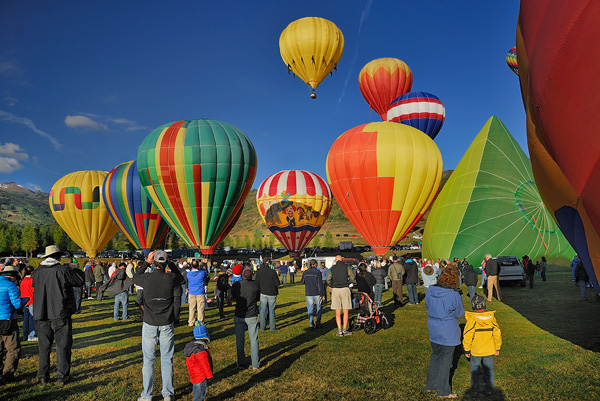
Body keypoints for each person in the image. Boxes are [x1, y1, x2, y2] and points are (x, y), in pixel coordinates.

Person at [133, 250, 184, 401]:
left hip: (149, 322)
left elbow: (135, 278)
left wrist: (146, 262)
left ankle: (147, 395)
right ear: (166, 262)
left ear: (154, 262)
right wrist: (171, 265)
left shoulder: (147, 278)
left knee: (148, 360)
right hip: (166, 322)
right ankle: (167, 393)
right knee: (166, 359)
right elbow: (181, 278)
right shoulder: (171, 277)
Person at [32, 245, 85, 385]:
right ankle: (62, 376)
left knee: (44, 347)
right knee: (63, 346)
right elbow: (79, 281)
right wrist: (74, 269)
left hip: (41, 313)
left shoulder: (37, 272)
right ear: (58, 257)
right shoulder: (62, 270)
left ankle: (42, 375)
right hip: (60, 313)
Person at [425, 268, 464, 398]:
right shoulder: (454, 295)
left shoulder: (430, 291)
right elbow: (460, 313)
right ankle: (444, 391)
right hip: (448, 331)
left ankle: (431, 385)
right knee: (445, 362)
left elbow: (427, 308)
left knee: (436, 356)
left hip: (434, 328)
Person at [463, 294, 501, 395]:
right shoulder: (491, 319)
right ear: (484, 305)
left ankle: (475, 389)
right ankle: (489, 388)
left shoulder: (471, 320)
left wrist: (467, 349)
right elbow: (497, 334)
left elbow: (467, 336)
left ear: (473, 306)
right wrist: (497, 347)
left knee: (475, 369)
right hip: (489, 350)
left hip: (476, 350)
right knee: (489, 369)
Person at [231, 266, 260, 370]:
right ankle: (255, 363)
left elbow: (231, 297)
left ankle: (241, 362)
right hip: (251, 315)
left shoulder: (236, 285)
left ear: (242, 275)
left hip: (239, 314)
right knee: (254, 339)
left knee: (240, 340)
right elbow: (258, 297)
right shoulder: (255, 285)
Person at [0, 264, 23, 384]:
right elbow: (17, 304)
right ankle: (7, 374)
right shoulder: (10, 285)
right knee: (13, 349)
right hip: (7, 320)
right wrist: (24, 300)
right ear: (12, 276)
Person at [326, 255, 355, 337]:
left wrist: (332, 285)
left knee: (337, 311)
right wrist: (349, 283)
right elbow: (352, 277)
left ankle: (339, 331)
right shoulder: (347, 267)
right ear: (341, 260)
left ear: (336, 260)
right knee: (346, 310)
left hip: (335, 289)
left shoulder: (332, 268)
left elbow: (328, 279)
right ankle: (345, 330)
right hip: (345, 288)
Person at [184, 320, 213, 401]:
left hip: (195, 376)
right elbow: (204, 364)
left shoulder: (192, 347)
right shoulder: (200, 350)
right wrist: (209, 375)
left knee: (196, 391)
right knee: (201, 394)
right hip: (202, 376)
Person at [255, 262, 280, 331]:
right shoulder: (272, 272)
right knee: (271, 310)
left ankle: (262, 327)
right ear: (269, 264)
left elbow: (256, 283)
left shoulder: (259, 272)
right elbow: (277, 283)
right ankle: (272, 327)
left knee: (262, 310)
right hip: (272, 292)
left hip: (263, 292)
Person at [302, 259, 324, 329]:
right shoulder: (318, 272)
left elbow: (302, 281)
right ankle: (318, 322)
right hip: (317, 292)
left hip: (309, 292)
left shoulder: (305, 272)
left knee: (310, 308)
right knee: (319, 308)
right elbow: (320, 284)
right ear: (315, 264)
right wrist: (322, 294)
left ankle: (311, 323)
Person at [187, 261, 208, 326]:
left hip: (191, 292)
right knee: (200, 308)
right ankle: (200, 321)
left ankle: (191, 322)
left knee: (191, 308)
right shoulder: (202, 273)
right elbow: (206, 273)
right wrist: (200, 267)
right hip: (200, 292)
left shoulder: (188, 274)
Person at [20, 266, 36, 341]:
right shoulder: (32, 280)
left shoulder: (23, 281)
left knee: (26, 319)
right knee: (32, 318)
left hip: (24, 301)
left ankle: (25, 335)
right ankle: (31, 335)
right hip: (31, 300)